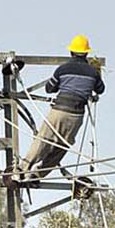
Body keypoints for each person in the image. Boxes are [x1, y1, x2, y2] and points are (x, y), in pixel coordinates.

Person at [15, 34, 104, 182]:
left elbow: (49, 88)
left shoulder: (63, 69)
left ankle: (21, 170)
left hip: (59, 111)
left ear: (71, 52)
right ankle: (37, 175)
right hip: (76, 117)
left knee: (43, 140)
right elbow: (100, 89)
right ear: (86, 53)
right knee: (62, 146)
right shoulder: (93, 73)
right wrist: (96, 73)